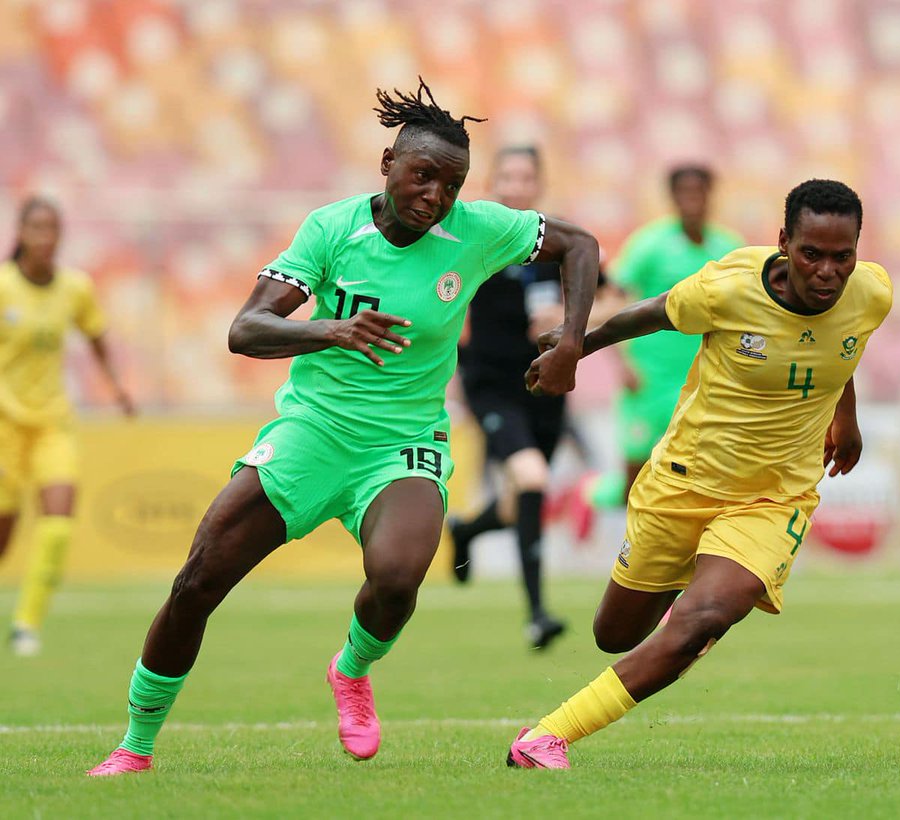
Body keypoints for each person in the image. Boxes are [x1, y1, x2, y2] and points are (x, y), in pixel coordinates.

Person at [86, 79, 600, 777]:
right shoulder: (332, 230)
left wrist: (571, 339)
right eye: (423, 175)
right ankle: (135, 747)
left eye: (452, 184)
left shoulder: (476, 231)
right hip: (312, 434)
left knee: (398, 581)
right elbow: (246, 329)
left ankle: (351, 670)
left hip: (402, 443)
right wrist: (332, 329)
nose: (435, 196)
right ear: (387, 162)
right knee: (198, 582)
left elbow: (579, 244)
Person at [508, 179, 891, 769]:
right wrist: (575, 346)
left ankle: (547, 736)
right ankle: (685, 611)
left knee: (704, 619)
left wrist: (847, 418)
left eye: (844, 257)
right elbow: (650, 314)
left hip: (773, 496)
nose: (828, 272)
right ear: (784, 242)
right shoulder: (730, 286)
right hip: (681, 483)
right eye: (812, 254)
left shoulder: (872, 294)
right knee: (614, 634)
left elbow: (845, 345)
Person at [450, 145, 621, 650]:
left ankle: (465, 531)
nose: (517, 186)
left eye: (526, 177)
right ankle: (538, 614)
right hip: (491, 384)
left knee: (520, 497)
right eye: (507, 177)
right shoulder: (474, 237)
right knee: (532, 477)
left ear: (538, 184)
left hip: (544, 386)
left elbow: (611, 294)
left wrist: (572, 322)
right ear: (493, 185)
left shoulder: (559, 242)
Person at [0, 196, 136, 657]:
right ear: (20, 233)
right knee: (5, 531)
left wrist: (116, 387)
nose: (47, 237)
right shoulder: (3, 287)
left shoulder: (75, 287)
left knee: (57, 522)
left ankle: (26, 624)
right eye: (37, 227)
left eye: (53, 228)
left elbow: (95, 337)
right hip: (4, 425)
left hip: (53, 420)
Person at [586, 166, 741, 508]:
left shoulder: (728, 248)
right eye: (684, 192)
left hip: (703, 375)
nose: (692, 200)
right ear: (672, 197)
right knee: (634, 471)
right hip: (649, 375)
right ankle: (592, 496)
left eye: (698, 192)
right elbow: (613, 302)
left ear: (710, 195)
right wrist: (621, 361)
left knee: (696, 470)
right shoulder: (649, 245)